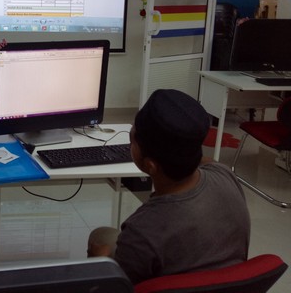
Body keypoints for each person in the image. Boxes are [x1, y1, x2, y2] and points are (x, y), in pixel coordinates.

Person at [105, 89, 250, 284]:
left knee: (101, 239)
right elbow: (205, 161)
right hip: (229, 285)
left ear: (150, 165)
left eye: (133, 138)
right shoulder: (225, 176)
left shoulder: (141, 231)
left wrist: (100, 257)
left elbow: (117, 287)